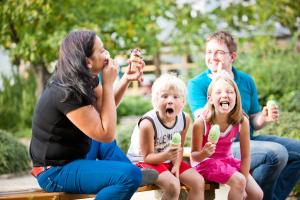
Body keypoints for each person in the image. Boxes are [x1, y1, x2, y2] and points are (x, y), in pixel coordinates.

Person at [29, 30, 156, 200]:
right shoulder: (66, 92)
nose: (107, 55)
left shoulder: (86, 77)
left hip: (76, 156)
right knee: (127, 176)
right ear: (87, 61)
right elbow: (106, 132)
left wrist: (125, 78)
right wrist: (109, 83)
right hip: (55, 171)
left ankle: (132, 175)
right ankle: (131, 176)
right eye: (102, 50)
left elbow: (105, 107)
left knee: (108, 148)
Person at [187, 30, 300, 200]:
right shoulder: (197, 84)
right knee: (276, 153)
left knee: (297, 151)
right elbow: (203, 119)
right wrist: (217, 82)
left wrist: (263, 118)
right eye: (209, 52)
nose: (213, 57)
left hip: (248, 140)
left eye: (219, 52)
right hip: (222, 147)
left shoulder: (246, 80)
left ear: (232, 56)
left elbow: (253, 119)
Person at [127, 74, 205, 200]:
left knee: (198, 182)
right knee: (173, 186)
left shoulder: (184, 119)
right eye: (164, 96)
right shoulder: (148, 124)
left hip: (167, 160)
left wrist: (176, 165)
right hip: (143, 163)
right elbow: (147, 157)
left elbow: (179, 148)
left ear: (183, 101)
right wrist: (167, 156)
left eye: (175, 97)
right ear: (155, 101)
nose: (170, 100)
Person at [191, 75, 263, 199]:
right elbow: (194, 156)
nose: (224, 95)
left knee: (257, 194)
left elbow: (245, 157)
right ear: (210, 99)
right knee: (239, 181)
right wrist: (204, 153)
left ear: (236, 98)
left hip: (227, 160)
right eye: (218, 92)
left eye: (230, 92)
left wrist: (243, 182)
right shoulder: (201, 123)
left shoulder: (241, 121)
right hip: (205, 162)